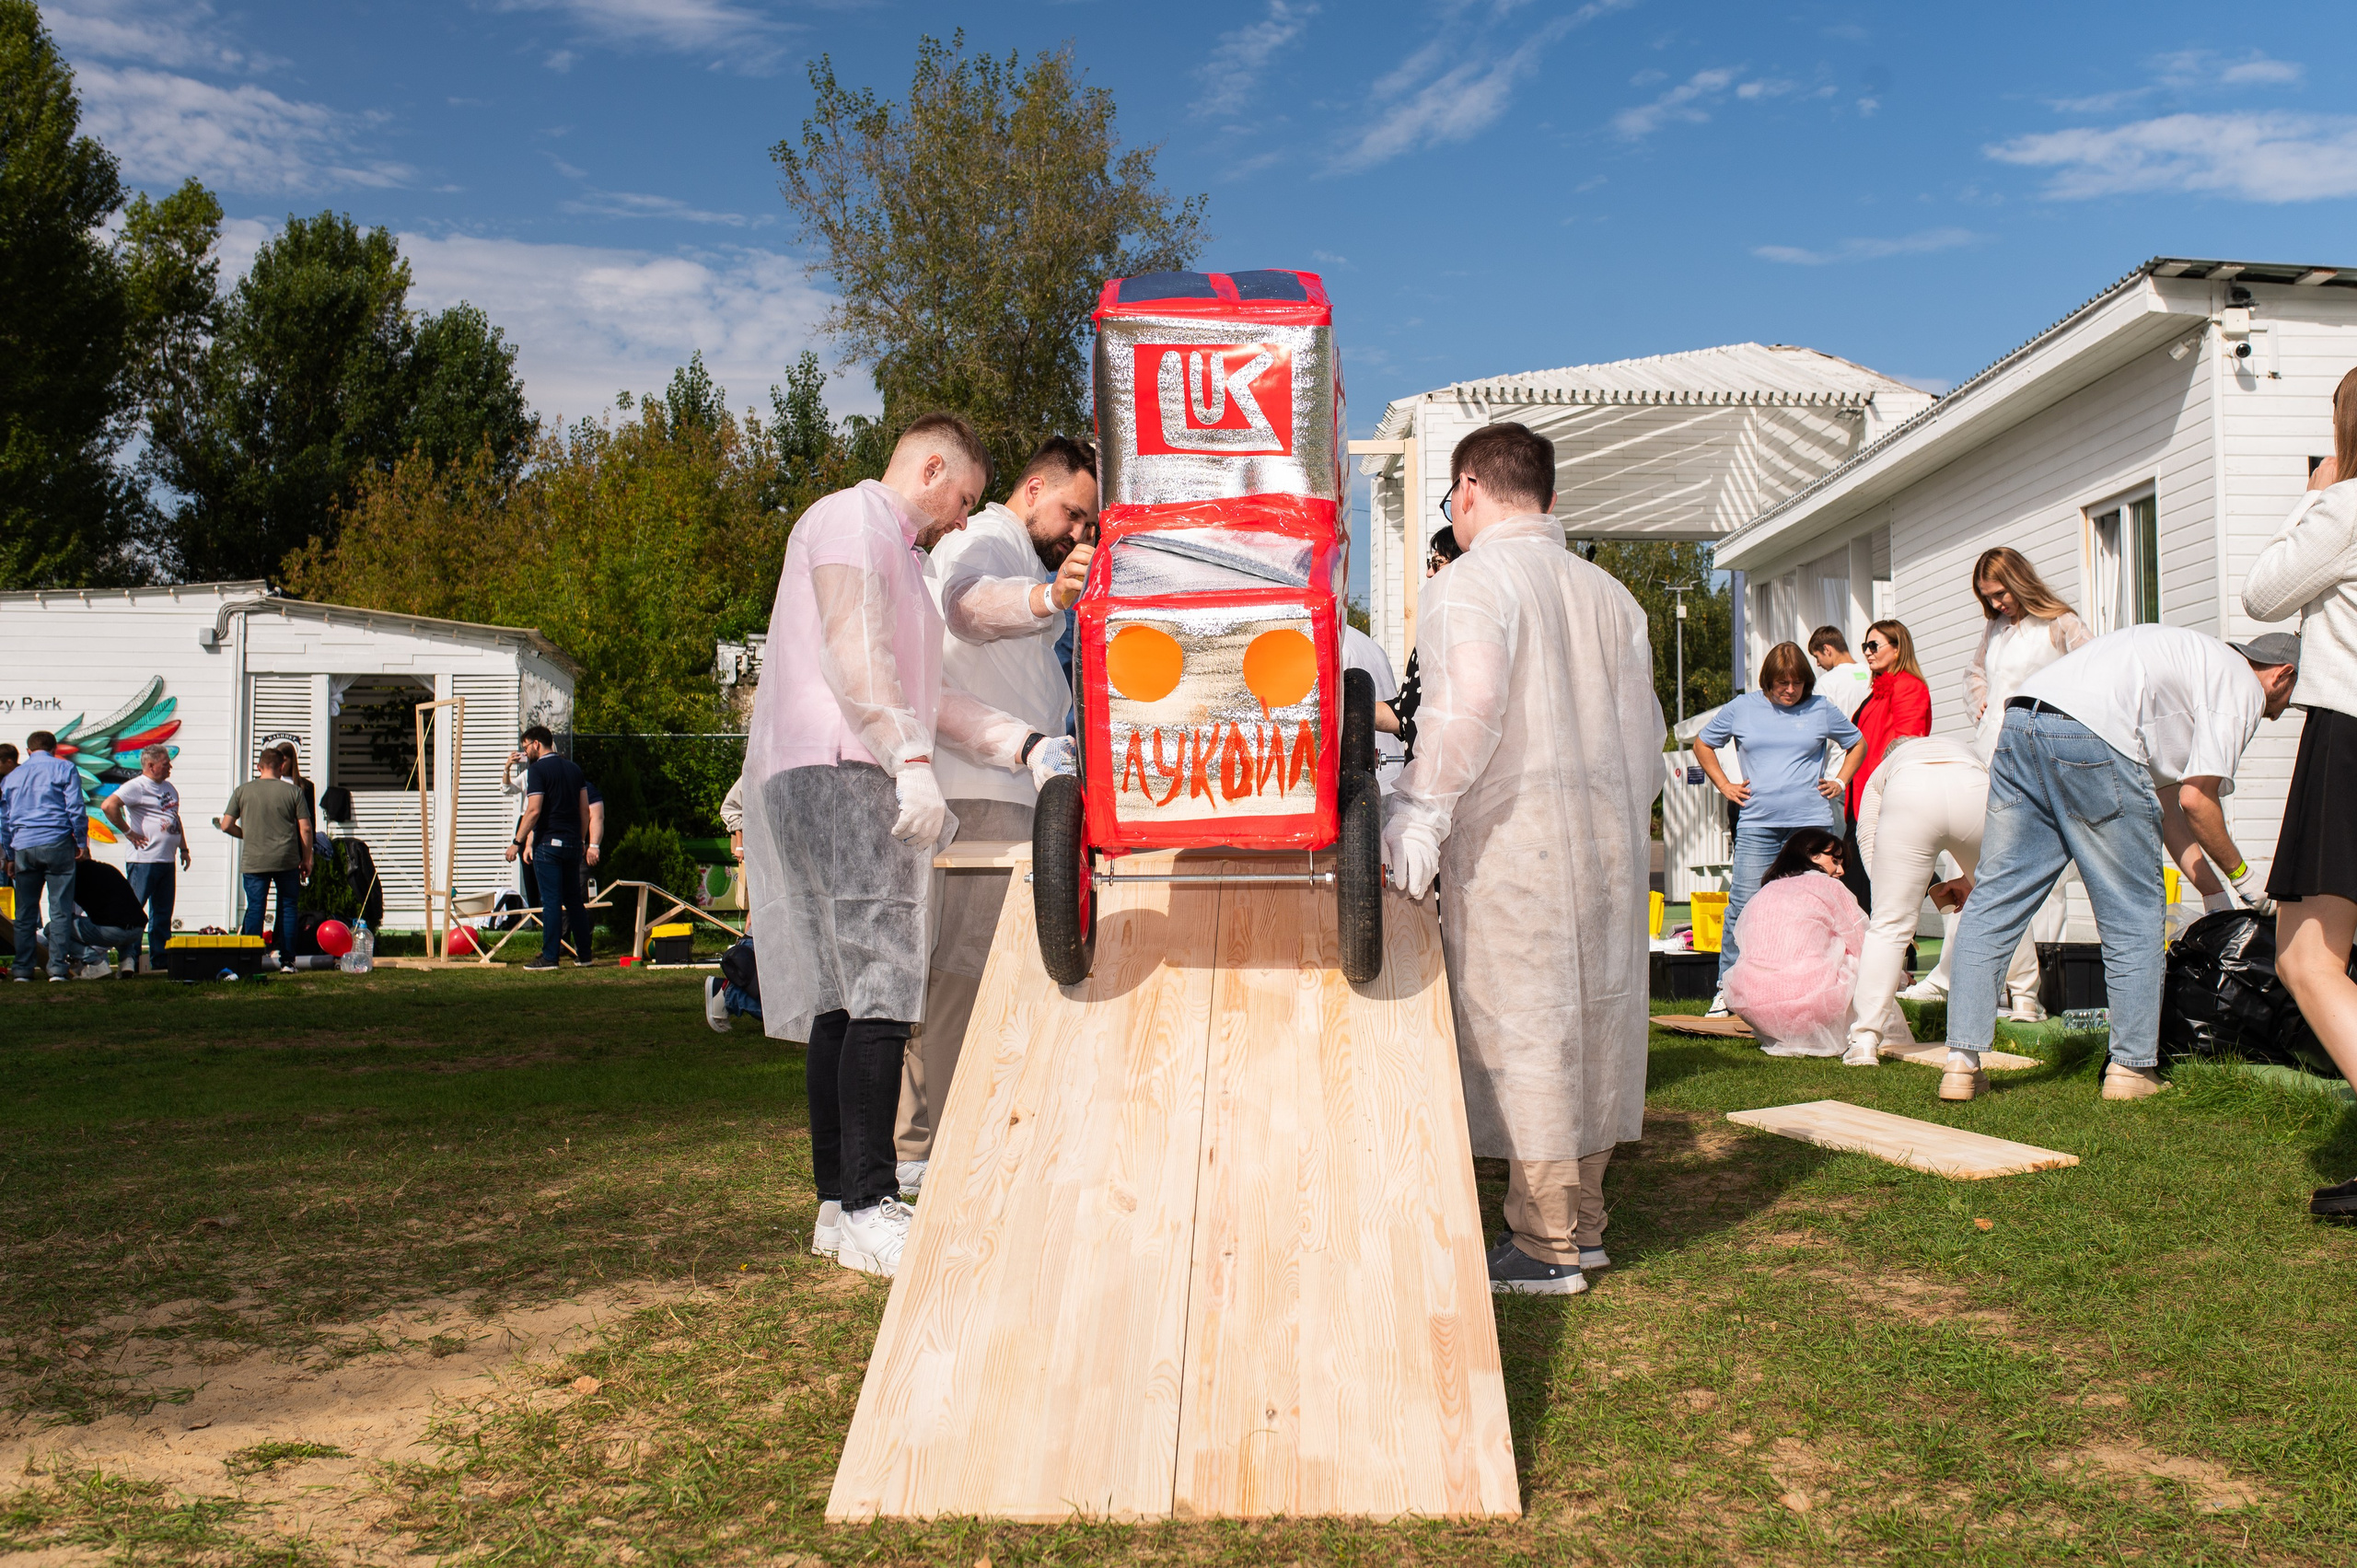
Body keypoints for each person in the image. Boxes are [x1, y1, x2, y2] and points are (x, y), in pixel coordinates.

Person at [739, 412, 1072, 1280]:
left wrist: (1024, 744)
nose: (963, 517)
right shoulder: (855, 519)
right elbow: (858, 658)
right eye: (963, 498)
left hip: (823, 767)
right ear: (929, 470)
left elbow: (926, 694)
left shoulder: (896, 553)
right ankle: (869, 1202)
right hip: (848, 771)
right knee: (881, 992)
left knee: (842, 999)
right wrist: (911, 762)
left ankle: (835, 1203)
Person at [1381, 422, 1666, 1297]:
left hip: (1515, 838)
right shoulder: (1613, 596)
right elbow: (1647, 739)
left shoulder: (1471, 581)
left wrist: (1420, 810)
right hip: (1607, 835)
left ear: (1467, 490)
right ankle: (1585, 1223)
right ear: (1548, 495)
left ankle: (1544, 1242)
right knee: (1596, 1020)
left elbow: (1465, 709)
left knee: (1530, 1026)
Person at [1942, 624, 2298, 1102]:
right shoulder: (2241, 686)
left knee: (1996, 898)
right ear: (2281, 675)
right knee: (2133, 912)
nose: (2283, 712)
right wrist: (2247, 880)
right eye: (2293, 699)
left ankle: (1961, 1064)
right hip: (2092, 734)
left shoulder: (2191, 663)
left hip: (2023, 720)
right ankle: (2131, 1068)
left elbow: (2169, 804)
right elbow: (2198, 800)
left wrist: (2214, 893)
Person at [900, 436, 1097, 1195]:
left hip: (1011, 794)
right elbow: (965, 606)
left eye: (1087, 524)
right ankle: (926, 1155)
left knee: (982, 976)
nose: (1077, 532)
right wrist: (1047, 600)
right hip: (981, 797)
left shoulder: (1021, 555)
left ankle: (943, 1146)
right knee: (960, 974)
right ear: (1034, 486)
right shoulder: (986, 537)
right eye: (1073, 512)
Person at [2243, 375, 2357, 1218]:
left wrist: (2316, 492)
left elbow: (2263, 594)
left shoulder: (2346, 506)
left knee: (2306, 959)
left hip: (2350, 735)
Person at [1847, 735, 2046, 1075]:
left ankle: (1864, 1041)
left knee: (1889, 928)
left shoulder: (1883, 772)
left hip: (1909, 796)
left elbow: (1869, 839)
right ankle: (2026, 999)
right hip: (1972, 787)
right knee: (2004, 903)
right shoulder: (1964, 751)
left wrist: (1893, 899)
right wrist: (1971, 880)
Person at [1693, 645, 1866, 1014]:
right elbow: (1703, 743)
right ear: (1767, 680)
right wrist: (1725, 785)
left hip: (1811, 825)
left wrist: (1840, 780)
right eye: (1781, 683)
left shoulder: (1820, 708)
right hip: (1758, 824)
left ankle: (1821, 990)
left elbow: (1857, 744)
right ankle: (1727, 990)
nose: (1790, 690)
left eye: (1797, 683)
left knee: (1817, 907)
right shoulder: (1742, 707)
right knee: (1743, 905)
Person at [1723, 828, 1879, 1059]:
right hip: (1812, 1004)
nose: (1841, 870)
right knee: (1856, 952)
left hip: (1752, 1004)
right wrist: (1897, 977)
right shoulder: (1830, 887)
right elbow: (1862, 941)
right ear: (1812, 855)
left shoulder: (1768, 889)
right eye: (1835, 860)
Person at [504, 726, 593, 970]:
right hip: (572, 843)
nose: (526, 752)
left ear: (536, 744)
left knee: (551, 901)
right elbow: (585, 810)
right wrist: (581, 841)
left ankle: (550, 957)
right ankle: (585, 955)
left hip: (548, 843)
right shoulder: (574, 769)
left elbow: (533, 810)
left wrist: (517, 843)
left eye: (526, 747)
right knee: (574, 900)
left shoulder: (538, 770)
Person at [4, 732, 90, 982]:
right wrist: (81, 842)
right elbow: (75, 808)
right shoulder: (65, 768)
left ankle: (22, 969)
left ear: (28, 751)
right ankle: (57, 969)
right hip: (57, 842)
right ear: (54, 749)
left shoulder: (12, 777)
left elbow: (5, 820)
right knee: (60, 910)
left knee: (25, 912)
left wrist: (9, 855)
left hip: (24, 846)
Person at [1376, 526, 1464, 762]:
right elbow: (1405, 713)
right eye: (1429, 563)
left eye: (1438, 563)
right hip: (1423, 776)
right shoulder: (1431, 634)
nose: (1429, 573)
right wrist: (1349, 706)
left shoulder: (1469, 632)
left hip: (1452, 779)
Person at [217, 747, 312, 966]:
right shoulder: (294, 792)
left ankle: (251, 960)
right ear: (281, 766)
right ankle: (288, 962)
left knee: (256, 908)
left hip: (255, 860)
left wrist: (247, 834)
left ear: (259, 767)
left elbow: (226, 825)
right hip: (286, 859)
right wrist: (307, 859)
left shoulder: (242, 791)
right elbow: (306, 829)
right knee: (288, 908)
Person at [102, 744, 190, 973]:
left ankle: (159, 960)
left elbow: (174, 818)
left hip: (166, 859)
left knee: (162, 913)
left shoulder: (169, 788)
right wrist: (128, 832)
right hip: (144, 860)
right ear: (151, 766)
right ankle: (129, 958)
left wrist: (184, 848)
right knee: (134, 910)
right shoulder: (137, 786)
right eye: (165, 764)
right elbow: (108, 806)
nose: (170, 767)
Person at [60, 856, 148, 978]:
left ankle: (95, 963)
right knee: (121, 918)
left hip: (111, 931)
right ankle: (127, 961)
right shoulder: (109, 869)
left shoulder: (73, 876)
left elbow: (63, 915)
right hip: (138, 930)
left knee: (55, 928)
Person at [1806, 626, 1875, 722]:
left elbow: (1818, 722)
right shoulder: (1871, 672)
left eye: (1817, 657)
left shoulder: (1825, 683)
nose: (1818, 664)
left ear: (1827, 649)